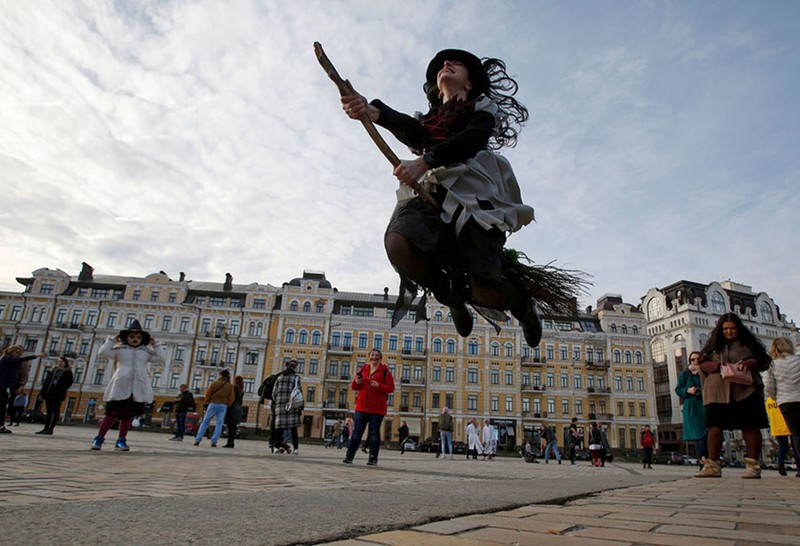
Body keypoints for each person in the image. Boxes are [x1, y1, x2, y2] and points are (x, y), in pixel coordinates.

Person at [340, 49, 546, 346]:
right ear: (436, 88)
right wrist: (370, 111)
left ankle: (524, 308)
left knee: (484, 289)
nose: (446, 66)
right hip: (432, 189)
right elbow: (411, 129)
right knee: (399, 242)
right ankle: (450, 296)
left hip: (473, 195)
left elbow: (471, 139)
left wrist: (426, 161)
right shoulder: (430, 121)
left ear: (469, 84)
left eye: (456, 64)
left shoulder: (481, 109)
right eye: (441, 67)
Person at [695, 313, 770, 479]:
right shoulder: (713, 346)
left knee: (749, 425)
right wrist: (714, 366)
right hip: (717, 390)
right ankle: (712, 465)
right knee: (714, 426)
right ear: (720, 330)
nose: (729, 332)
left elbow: (764, 361)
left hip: (745, 390)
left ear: (739, 328)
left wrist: (749, 363)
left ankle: (753, 465)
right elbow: (701, 362)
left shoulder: (748, 344)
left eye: (733, 328)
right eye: (725, 329)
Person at [91, 320, 166, 451]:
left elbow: (161, 358)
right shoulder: (119, 350)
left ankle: (121, 440)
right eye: (132, 337)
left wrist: (156, 345)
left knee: (128, 415)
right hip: (120, 385)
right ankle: (99, 438)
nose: (135, 339)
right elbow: (102, 352)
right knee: (111, 414)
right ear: (126, 337)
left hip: (137, 387)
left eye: (138, 337)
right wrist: (112, 340)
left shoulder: (145, 352)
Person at [343, 350, 395, 466]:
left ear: (380, 358)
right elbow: (354, 386)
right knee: (357, 432)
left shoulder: (385, 371)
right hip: (361, 407)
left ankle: (373, 458)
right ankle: (349, 456)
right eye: (372, 355)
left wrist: (379, 385)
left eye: (377, 356)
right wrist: (357, 381)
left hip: (377, 409)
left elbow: (391, 388)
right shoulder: (363, 369)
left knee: (374, 433)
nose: (374, 357)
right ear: (369, 357)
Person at [764, 336, 800, 477]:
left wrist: (776, 398)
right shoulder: (798, 360)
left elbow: (769, 386)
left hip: (786, 401)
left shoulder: (772, 365)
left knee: (796, 434)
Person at [0, 345, 43, 433]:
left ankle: (1, 425)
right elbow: (17, 361)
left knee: (3, 406)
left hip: (6, 386)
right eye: (16, 352)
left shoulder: (14, 362)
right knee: (1, 406)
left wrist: (18, 386)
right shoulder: (6, 358)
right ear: (10, 351)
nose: (18, 355)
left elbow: (18, 375)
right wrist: (36, 356)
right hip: (1, 385)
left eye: (19, 353)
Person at [675, 351, 708, 463]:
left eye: (698, 359)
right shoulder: (685, 374)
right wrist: (687, 390)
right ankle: (703, 461)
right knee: (699, 435)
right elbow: (678, 389)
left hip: (705, 406)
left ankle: (708, 461)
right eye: (693, 359)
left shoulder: (706, 372)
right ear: (690, 361)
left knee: (707, 434)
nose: (696, 361)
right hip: (693, 408)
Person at [193, 369, 234, 448]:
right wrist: (228, 403)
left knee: (205, 421)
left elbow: (207, 393)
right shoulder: (230, 385)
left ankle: (198, 439)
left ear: (220, 375)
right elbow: (232, 397)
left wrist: (207, 400)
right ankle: (214, 441)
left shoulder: (214, 383)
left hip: (213, 403)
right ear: (228, 376)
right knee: (219, 423)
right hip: (223, 405)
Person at [271, 360, 304, 455]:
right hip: (292, 405)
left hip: (280, 405)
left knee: (279, 428)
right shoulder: (296, 378)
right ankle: (296, 449)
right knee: (293, 428)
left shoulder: (280, 377)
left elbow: (274, 393)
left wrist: (278, 400)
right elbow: (299, 392)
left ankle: (276, 448)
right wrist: (300, 406)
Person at [37, 356, 74, 435]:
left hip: (58, 395)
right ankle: (45, 428)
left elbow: (68, 383)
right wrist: (42, 393)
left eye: (62, 362)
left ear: (65, 363)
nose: (60, 363)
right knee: (48, 411)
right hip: (49, 393)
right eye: (59, 361)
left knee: (55, 411)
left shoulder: (67, 372)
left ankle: (51, 428)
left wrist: (60, 390)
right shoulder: (54, 370)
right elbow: (47, 382)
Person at [765, 395, 798, 476]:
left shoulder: (768, 401)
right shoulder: (783, 398)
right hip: (788, 424)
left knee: (782, 446)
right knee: (795, 446)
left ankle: (780, 462)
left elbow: (769, 414)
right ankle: (799, 467)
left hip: (776, 426)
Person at [224, 375, 244, 448]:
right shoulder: (241, 390)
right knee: (234, 426)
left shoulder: (234, 388)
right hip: (238, 408)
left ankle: (229, 442)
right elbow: (241, 401)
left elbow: (231, 397)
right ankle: (231, 442)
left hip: (232, 408)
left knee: (230, 426)